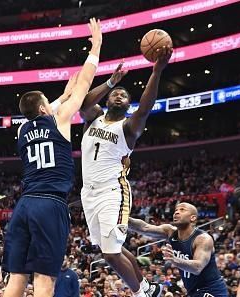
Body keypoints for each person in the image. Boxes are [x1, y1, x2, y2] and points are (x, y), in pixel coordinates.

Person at [2, 18, 103, 297]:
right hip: (50, 204)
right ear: (46, 107)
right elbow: (85, 82)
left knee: (17, 280)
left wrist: (62, 95)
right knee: (45, 280)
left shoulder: (22, 130)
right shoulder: (59, 119)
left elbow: (39, 110)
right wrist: (96, 47)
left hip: (24, 205)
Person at [79, 45, 173, 297]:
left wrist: (157, 71)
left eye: (124, 95)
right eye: (115, 94)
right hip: (88, 194)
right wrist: (110, 82)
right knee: (111, 250)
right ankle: (148, 289)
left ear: (128, 104)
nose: (119, 96)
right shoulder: (93, 117)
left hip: (112, 191)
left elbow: (145, 108)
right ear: (108, 99)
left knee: (110, 254)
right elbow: (83, 104)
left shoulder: (128, 127)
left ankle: (141, 294)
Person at [128, 202, 228, 297]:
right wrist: (123, 219)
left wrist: (174, 259)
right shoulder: (170, 231)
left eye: (182, 209)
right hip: (193, 291)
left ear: (192, 218)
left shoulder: (202, 239)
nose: (176, 212)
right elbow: (144, 228)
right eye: (176, 210)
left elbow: (197, 268)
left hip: (212, 290)